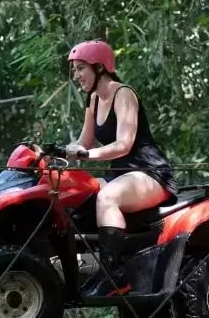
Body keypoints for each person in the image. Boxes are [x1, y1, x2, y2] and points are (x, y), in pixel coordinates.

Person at [62, 40, 176, 289]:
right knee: (77, 196)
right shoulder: (92, 100)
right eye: (75, 69)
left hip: (150, 173)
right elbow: (85, 142)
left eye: (81, 68)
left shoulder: (123, 94)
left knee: (106, 198)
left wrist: (85, 156)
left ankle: (114, 274)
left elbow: (124, 145)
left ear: (100, 68)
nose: (76, 75)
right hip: (121, 176)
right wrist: (58, 156)